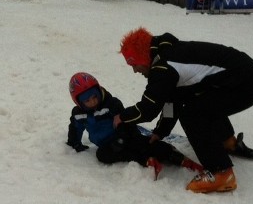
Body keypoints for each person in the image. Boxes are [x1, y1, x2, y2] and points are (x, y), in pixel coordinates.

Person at [114, 28, 253, 194]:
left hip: (245, 85)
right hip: (244, 78)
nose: (135, 70)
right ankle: (227, 141)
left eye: (134, 64)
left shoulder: (163, 67)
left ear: (143, 57)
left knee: (193, 114)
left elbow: (148, 109)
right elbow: (173, 99)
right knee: (198, 101)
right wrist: (161, 131)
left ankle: (221, 172)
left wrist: (122, 117)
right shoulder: (166, 53)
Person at [66, 72, 201, 178]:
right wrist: (74, 142)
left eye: (95, 97)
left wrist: (121, 138)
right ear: (79, 102)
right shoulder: (79, 114)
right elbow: (75, 127)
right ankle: (146, 160)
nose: (93, 102)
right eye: (87, 100)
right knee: (102, 155)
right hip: (107, 144)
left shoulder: (111, 104)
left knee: (142, 144)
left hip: (125, 135)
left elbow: (124, 122)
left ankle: (173, 155)